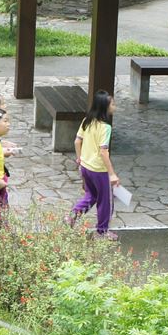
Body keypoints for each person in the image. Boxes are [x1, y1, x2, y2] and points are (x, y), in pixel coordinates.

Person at [70, 90, 119, 239]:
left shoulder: (87, 121)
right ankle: (101, 232)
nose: (114, 106)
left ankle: (72, 216)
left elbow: (77, 141)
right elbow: (104, 152)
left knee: (91, 195)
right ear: (105, 107)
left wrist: (80, 160)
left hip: (85, 167)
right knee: (105, 201)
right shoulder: (106, 128)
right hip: (99, 170)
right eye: (112, 104)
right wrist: (112, 174)